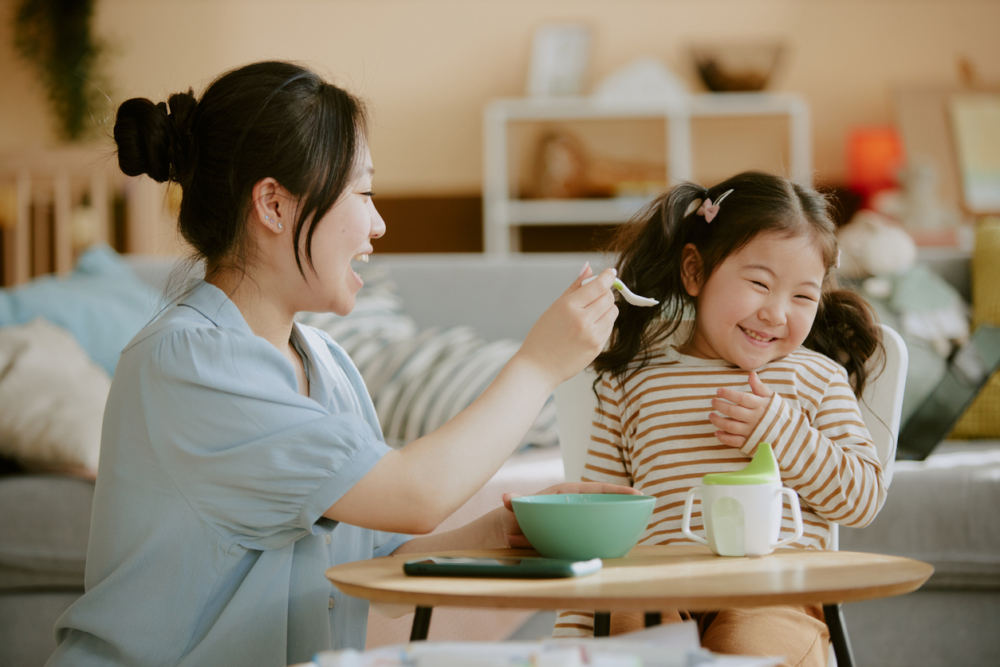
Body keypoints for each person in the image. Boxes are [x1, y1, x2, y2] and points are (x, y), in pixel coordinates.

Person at [47, 61, 633, 667]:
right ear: (273, 204)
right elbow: (415, 493)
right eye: (365, 193)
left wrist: (492, 537)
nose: (378, 224)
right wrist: (540, 364)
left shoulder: (326, 363)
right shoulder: (189, 362)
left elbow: (367, 570)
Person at [553, 172, 887, 667]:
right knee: (629, 628)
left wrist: (783, 433)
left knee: (751, 646)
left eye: (803, 296)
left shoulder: (816, 378)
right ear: (694, 271)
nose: (776, 313)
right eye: (758, 283)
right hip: (655, 589)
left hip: (775, 594)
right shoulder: (635, 382)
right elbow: (596, 524)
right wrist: (571, 635)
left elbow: (863, 498)